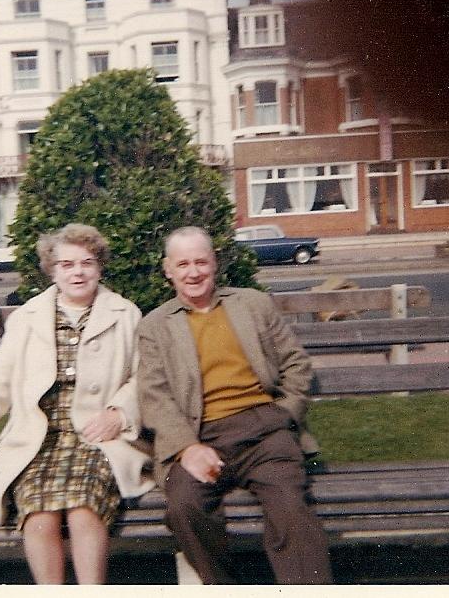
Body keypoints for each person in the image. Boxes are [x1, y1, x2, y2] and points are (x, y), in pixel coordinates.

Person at [0, 223, 154, 584]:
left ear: (99, 267)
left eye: (86, 262)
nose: (77, 272)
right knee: (38, 514)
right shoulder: (28, 319)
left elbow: (144, 378)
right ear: (52, 269)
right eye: (67, 264)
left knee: (83, 508)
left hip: (97, 439)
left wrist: (119, 412)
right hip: (38, 441)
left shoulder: (125, 314)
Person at [136, 226, 332, 584]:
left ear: (215, 263)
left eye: (201, 262)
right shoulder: (155, 326)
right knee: (185, 507)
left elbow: (296, 364)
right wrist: (186, 448)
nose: (193, 272)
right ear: (168, 270)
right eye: (183, 264)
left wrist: (284, 413)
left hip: (264, 432)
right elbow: (154, 396)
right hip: (200, 436)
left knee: (291, 510)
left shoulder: (252, 304)